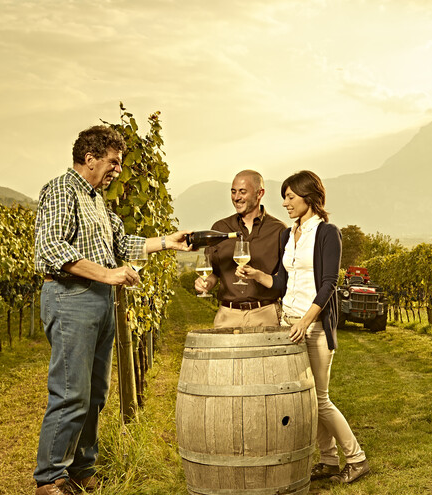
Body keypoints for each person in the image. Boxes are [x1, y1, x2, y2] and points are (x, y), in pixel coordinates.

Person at [32, 125, 192, 495]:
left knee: (95, 393)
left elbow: (122, 242)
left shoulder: (95, 199)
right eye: (113, 162)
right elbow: (51, 249)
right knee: (71, 392)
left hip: (100, 301)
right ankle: (49, 478)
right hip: (71, 299)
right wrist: (107, 274)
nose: (118, 170)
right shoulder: (61, 190)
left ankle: (81, 468)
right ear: (89, 159)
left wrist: (168, 242)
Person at [239, 170, 370, 484]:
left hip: (314, 328)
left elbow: (328, 285)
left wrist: (306, 322)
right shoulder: (288, 234)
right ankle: (328, 461)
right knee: (308, 400)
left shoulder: (327, 233)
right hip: (290, 325)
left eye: (290, 197)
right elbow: (282, 282)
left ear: (308, 197)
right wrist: (258, 275)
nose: (285, 203)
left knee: (320, 400)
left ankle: (356, 458)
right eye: (284, 197)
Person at [193, 170, 286, 327]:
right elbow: (213, 272)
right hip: (227, 316)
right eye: (233, 192)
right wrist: (206, 283)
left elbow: (285, 277)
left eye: (243, 192)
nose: (236, 197)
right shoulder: (220, 229)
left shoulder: (279, 230)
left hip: (266, 315)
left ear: (259, 193)